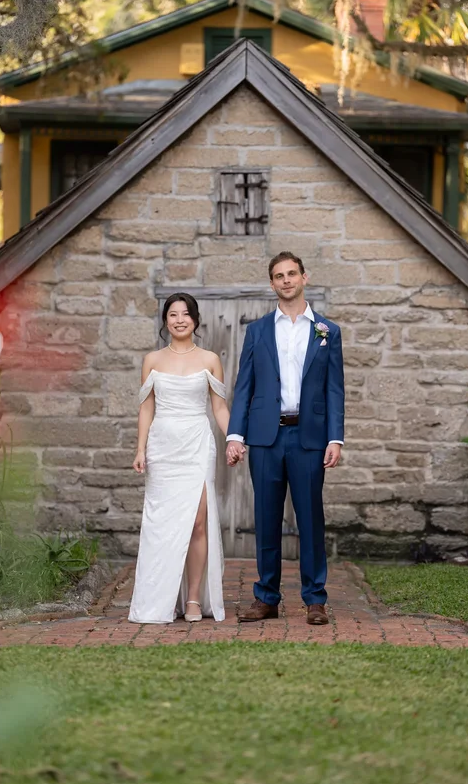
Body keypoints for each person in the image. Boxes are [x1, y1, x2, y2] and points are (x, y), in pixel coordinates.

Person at [226, 252, 344, 625]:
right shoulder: (257, 331)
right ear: (272, 284)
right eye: (279, 276)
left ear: (304, 278)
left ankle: (315, 600)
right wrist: (235, 434)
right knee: (266, 518)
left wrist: (335, 438)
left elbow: (335, 389)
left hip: (309, 437)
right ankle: (267, 598)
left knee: (310, 519)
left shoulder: (327, 330)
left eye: (292, 273)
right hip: (265, 438)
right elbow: (244, 386)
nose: (286, 280)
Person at [128, 293, 229, 624]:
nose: (180, 319)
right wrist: (141, 448)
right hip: (163, 446)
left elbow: (218, 407)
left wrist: (234, 438)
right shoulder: (152, 360)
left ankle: (194, 599)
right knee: (164, 525)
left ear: (196, 320)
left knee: (198, 521)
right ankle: (161, 597)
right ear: (165, 321)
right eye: (173, 314)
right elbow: (147, 407)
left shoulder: (211, 359)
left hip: (198, 444)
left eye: (186, 314)